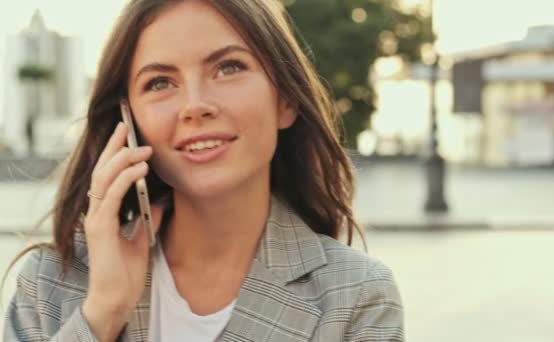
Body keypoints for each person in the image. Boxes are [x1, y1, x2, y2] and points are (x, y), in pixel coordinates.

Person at [3, 0, 404, 341]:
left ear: (285, 100)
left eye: (228, 68)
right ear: (128, 120)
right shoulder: (50, 283)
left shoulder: (356, 297)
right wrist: (103, 312)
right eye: (160, 82)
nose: (195, 105)